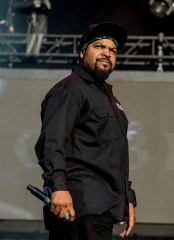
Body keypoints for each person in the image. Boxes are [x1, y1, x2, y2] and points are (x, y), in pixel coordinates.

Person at [35, 21, 137, 240]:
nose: (107, 53)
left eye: (112, 50)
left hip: (101, 207)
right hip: (77, 205)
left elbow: (115, 155)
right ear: (82, 53)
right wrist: (58, 187)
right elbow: (52, 143)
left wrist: (127, 198)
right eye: (99, 46)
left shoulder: (111, 100)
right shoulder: (70, 89)